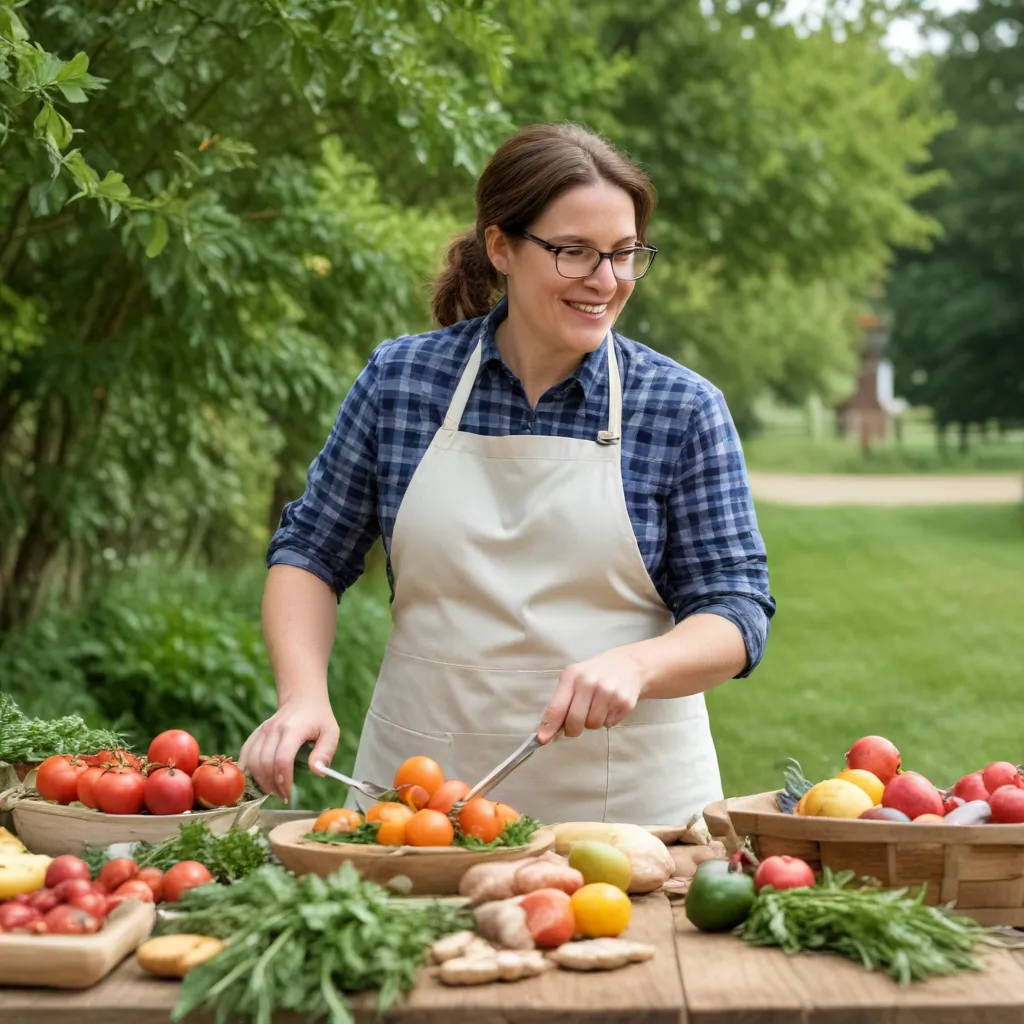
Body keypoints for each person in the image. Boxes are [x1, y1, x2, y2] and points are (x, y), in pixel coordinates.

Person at [239, 122, 776, 826]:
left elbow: (735, 609)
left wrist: (638, 665)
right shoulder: (404, 381)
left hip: (630, 819)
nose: (606, 280)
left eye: (623, 254)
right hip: (418, 806)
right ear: (501, 247)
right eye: (574, 252)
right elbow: (310, 551)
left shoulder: (680, 407)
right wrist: (303, 693)